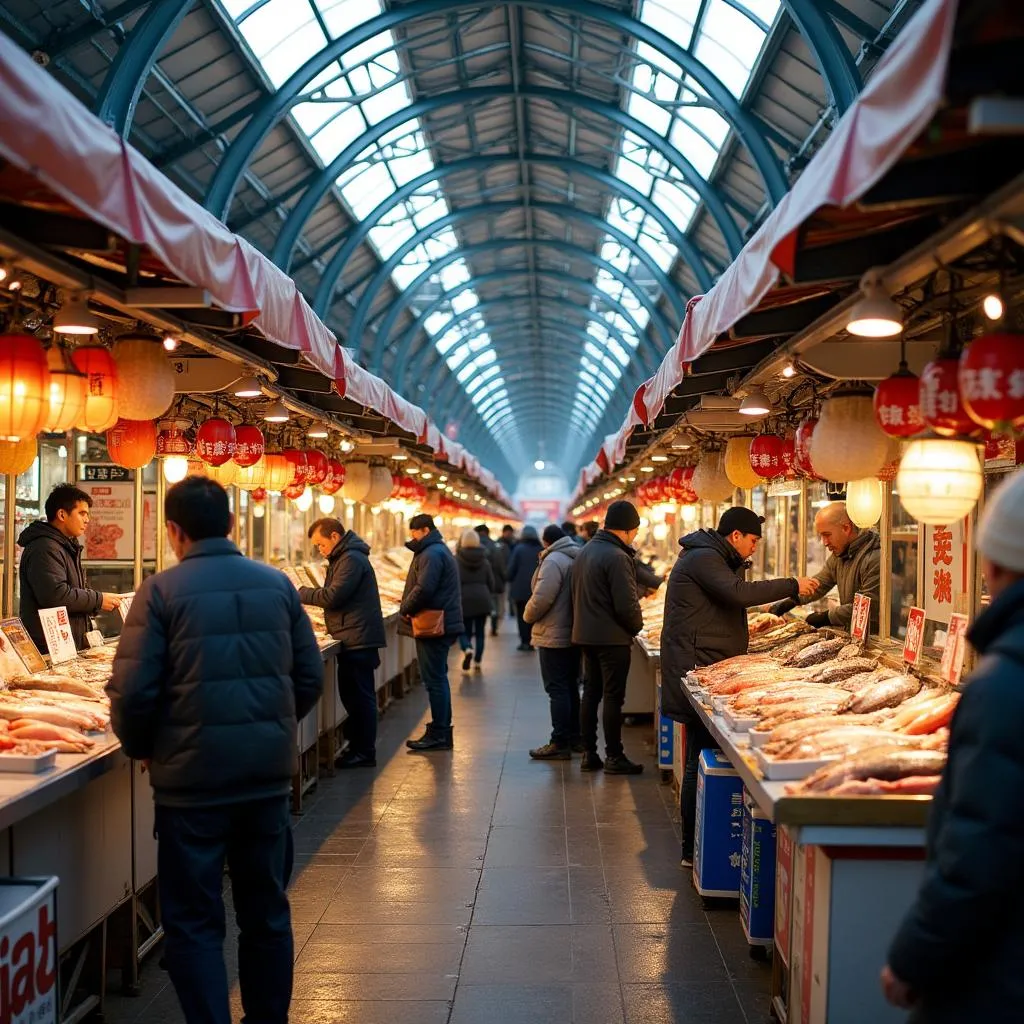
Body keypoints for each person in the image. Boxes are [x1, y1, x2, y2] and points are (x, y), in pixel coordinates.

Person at [106, 476, 323, 1024]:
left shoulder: (158, 592)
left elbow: (133, 693)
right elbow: (309, 676)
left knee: (195, 921)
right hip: (265, 782)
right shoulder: (277, 586)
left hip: (190, 789)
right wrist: (267, 730)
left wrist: (146, 746)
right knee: (266, 912)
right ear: (231, 524)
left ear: (173, 531)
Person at [882, 469, 1024, 1021]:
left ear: (992, 566)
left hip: (998, 975)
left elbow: (979, 847)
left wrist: (915, 956)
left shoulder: (1004, 683)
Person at [660, 507, 817, 866]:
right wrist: (792, 583)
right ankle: (691, 848)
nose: (754, 548)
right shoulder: (704, 558)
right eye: (753, 540)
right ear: (735, 536)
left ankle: (695, 847)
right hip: (697, 666)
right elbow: (737, 593)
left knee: (698, 753)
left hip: (705, 662)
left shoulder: (712, 555)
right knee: (698, 754)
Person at [298, 517, 385, 769]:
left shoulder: (351, 559)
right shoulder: (347, 557)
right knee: (355, 695)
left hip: (357, 637)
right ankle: (359, 747)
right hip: (353, 635)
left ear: (335, 537)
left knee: (360, 697)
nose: (319, 550)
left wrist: (299, 591)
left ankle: (364, 751)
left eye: (320, 544)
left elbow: (333, 596)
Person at [571, 500, 646, 775]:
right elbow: (626, 604)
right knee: (614, 697)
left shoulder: (586, 550)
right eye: (635, 531)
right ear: (627, 529)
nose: (635, 536)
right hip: (612, 638)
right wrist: (637, 626)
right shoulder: (617, 557)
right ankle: (614, 756)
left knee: (591, 693)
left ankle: (589, 753)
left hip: (586, 635)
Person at [18, 483, 122, 651]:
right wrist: (99, 599)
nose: (87, 520)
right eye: (82, 513)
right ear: (62, 514)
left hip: (68, 645)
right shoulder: (45, 548)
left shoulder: (66, 546)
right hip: (49, 649)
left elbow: (75, 592)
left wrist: (97, 603)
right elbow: (56, 596)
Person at [400, 513, 464, 751]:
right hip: (441, 622)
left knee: (434, 680)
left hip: (434, 625)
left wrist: (405, 608)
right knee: (437, 678)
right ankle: (440, 729)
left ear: (424, 530)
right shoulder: (436, 550)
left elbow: (424, 589)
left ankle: (439, 732)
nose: (412, 537)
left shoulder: (432, 553)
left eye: (413, 533)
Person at [770, 501, 881, 630]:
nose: (824, 542)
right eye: (821, 536)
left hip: (876, 638)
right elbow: (820, 583)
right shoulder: (840, 554)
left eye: (827, 535)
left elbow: (866, 606)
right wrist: (792, 600)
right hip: (853, 632)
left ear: (846, 528)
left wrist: (826, 617)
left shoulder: (874, 557)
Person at [524, 524, 582, 759]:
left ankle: (559, 742)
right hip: (573, 631)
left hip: (553, 634)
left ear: (546, 541)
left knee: (556, 689)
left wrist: (527, 615)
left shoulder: (553, 560)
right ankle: (575, 737)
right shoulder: (576, 556)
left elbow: (542, 597)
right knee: (570, 686)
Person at [456, 529, 494, 672]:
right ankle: (478, 660)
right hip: (482, 600)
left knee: (463, 629)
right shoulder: (484, 561)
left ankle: (466, 648)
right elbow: (491, 583)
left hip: (464, 600)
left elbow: (454, 582)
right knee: (480, 631)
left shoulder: (457, 560)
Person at [507, 525, 543, 651]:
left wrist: (509, 578)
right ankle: (533, 640)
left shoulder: (518, 549)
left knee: (521, 616)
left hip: (520, 590)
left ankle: (524, 641)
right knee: (534, 615)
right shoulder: (541, 549)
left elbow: (511, 569)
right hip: (537, 589)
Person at [475, 524, 507, 636]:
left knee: (476, 607)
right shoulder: (494, 546)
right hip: (493, 581)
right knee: (494, 606)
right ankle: (494, 627)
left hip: (477, 583)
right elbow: (500, 566)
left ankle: (476, 629)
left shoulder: (473, 547)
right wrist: (504, 579)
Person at [499, 524, 517, 618]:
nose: (509, 535)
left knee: (510, 593)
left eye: (511, 533)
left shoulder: (515, 543)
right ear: (504, 532)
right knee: (502, 594)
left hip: (512, 572)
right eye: (508, 533)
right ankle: (502, 612)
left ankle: (511, 610)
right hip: (502, 571)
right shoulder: (499, 543)